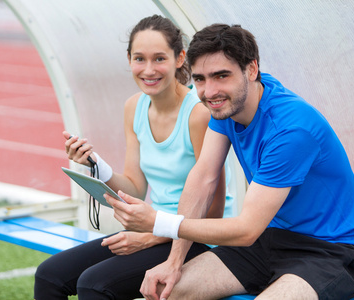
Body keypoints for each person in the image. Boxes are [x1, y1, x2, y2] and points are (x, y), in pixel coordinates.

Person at [106, 23, 354, 300]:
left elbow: (245, 229)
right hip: (269, 238)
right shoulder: (229, 106)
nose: (210, 91)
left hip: (329, 249)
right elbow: (203, 178)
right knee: (163, 292)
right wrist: (173, 262)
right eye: (201, 79)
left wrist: (158, 222)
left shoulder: (291, 130)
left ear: (251, 69)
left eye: (221, 75)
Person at [33, 15, 228, 300]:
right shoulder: (134, 107)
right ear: (129, 60)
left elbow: (214, 214)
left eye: (159, 58)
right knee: (48, 275)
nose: (148, 70)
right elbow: (135, 187)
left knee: (94, 285)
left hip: (199, 238)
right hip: (152, 228)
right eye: (139, 59)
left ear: (179, 58)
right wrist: (94, 164)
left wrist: (150, 236)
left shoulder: (198, 114)